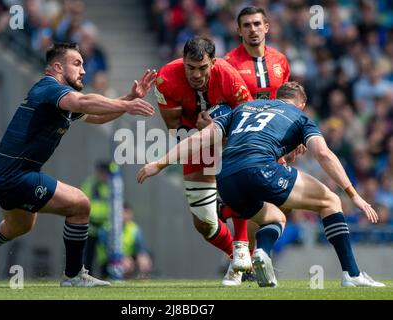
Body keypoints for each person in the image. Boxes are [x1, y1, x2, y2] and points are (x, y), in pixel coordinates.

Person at [138, 81, 385, 288]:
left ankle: (262, 252)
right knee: (330, 201)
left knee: (275, 217)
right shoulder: (299, 116)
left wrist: (159, 163)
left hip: (226, 178)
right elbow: (323, 154)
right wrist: (354, 195)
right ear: (302, 104)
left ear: (277, 98)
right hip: (260, 169)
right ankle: (352, 274)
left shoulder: (244, 108)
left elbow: (200, 139)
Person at [0, 42, 156, 287]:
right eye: (77, 64)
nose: (83, 71)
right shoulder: (49, 88)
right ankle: (74, 276)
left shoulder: (61, 99)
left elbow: (97, 116)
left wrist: (128, 99)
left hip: (6, 172)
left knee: (20, 225)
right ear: (57, 66)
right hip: (14, 174)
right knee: (80, 205)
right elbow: (83, 102)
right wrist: (124, 105)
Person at [154, 36, 253, 286]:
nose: (196, 74)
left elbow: (248, 123)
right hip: (194, 140)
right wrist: (201, 134)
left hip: (230, 139)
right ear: (183, 61)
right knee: (204, 223)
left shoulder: (228, 76)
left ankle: (242, 247)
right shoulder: (166, 78)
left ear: (214, 63)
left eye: (202, 68)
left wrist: (218, 130)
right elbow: (175, 129)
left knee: (237, 184)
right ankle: (239, 259)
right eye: (190, 67)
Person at [222, 6, 291, 270]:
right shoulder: (228, 63)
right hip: (241, 144)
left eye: (257, 24)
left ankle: (248, 257)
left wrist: (291, 138)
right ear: (238, 30)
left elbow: (286, 102)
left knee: (276, 205)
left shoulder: (280, 61)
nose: (252, 30)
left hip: (274, 142)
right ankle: (245, 254)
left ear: (267, 27)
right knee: (251, 201)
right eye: (247, 25)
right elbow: (222, 103)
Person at [95, 204, 153, 279]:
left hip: (128, 258)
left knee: (144, 259)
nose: (126, 216)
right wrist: (121, 258)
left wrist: (143, 256)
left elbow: (141, 246)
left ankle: (143, 282)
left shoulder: (134, 227)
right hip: (108, 261)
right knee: (124, 263)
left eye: (128, 213)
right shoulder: (106, 228)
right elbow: (107, 248)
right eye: (124, 213)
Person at [81, 161, 113, 276]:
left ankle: (106, 277)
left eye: (105, 173)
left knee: (105, 256)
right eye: (101, 173)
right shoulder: (90, 184)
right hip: (91, 226)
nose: (103, 176)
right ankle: (86, 277)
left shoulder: (111, 186)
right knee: (88, 255)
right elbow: (83, 200)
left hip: (105, 227)